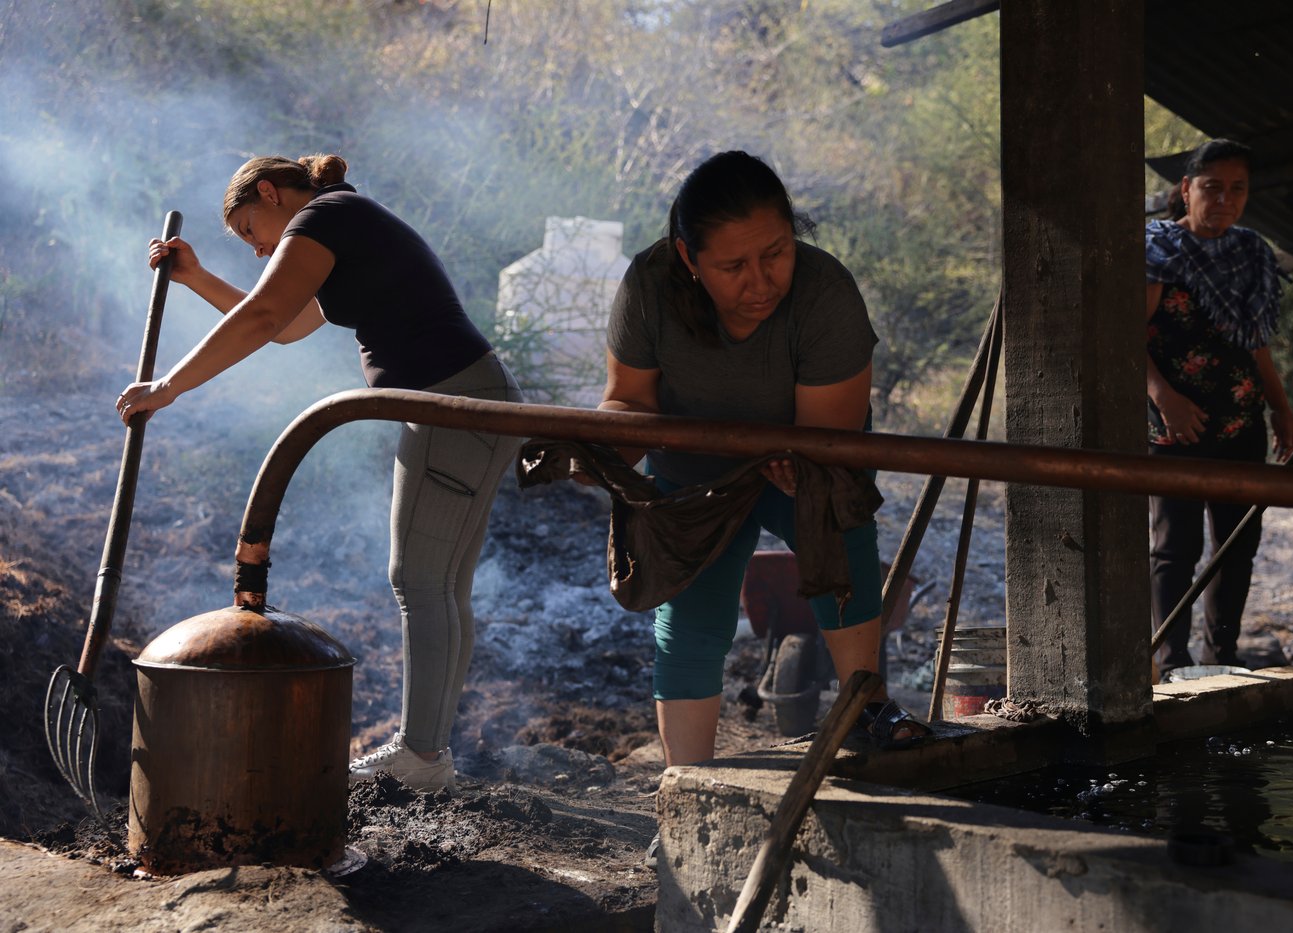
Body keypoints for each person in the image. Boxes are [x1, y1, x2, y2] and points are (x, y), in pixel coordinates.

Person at [118, 154, 523, 793]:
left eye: (251, 232)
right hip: (469, 398)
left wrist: (167, 388)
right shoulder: (342, 220)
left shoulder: (326, 215)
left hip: (453, 404)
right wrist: (195, 278)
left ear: (271, 194)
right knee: (440, 583)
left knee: (419, 581)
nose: (256, 250)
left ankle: (421, 756)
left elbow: (262, 319)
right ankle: (430, 754)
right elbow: (285, 324)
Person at [597, 150, 932, 779]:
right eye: (733, 266)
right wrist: (602, 453)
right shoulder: (648, 287)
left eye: (775, 254)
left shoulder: (825, 293)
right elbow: (630, 401)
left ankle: (865, 710)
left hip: (800, 460)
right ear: (688, 259)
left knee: (839, 535)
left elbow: (829, 437)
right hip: (693, 469)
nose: (761, 282)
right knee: (692, 621)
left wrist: (806, 463)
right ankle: (685, 788)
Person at [1145, 138, 1293, 676]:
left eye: (1238, 190)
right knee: (1175, 550)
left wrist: (1280, 409)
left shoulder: (1252, 251)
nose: (1225, 200)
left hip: (1241, 423)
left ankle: (1221, 660)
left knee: (1237, 546)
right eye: (1212, 188)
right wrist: (1165, 398)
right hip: (1176, 427)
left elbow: (1256, 342)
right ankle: (1171, 661)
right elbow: (1125, 336)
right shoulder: (1157, 249)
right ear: (1186, 189)